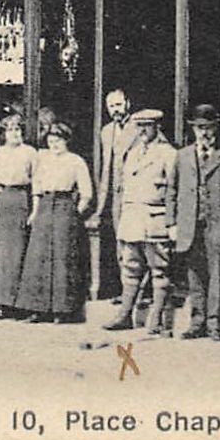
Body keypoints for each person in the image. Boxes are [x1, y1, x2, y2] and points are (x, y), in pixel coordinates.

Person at [106, 109, 179, 337]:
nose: (143, 131)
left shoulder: (168, 154)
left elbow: (172, 191)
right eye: (139, 126)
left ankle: (156, 319)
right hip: (132, 219)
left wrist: (171, 223)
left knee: (160, 270)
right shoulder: (133, 153)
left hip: (154, 220)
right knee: (130, 268)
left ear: (157, 127)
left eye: (147, 126)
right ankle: (125, 315)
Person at [17, 121, 94, 322]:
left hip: (64, 206)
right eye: (51, 141)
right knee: (39, 258)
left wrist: (74, 212)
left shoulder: (76, 161)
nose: (54, 145)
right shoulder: (43, 159)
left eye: (58, 140)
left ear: (66, 140)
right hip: (44, 206)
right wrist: (35, 212)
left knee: (62, 259)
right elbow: (36, 187)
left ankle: (62, 310)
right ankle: (38, 309)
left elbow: (87, 193)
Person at [172, 104, 220, 341]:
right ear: (194, 130)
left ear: (215, 129)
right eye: (200, 128)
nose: (204, 133)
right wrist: (172, 223)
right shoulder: (182, 156)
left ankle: (214, 323)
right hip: (190, 225)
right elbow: (172, 191)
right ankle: (197, 321)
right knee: (194, 274)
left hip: (216, 224)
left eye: (208, 128)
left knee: (217, 273)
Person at [85, 88, 136, 301]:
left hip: (134, 195)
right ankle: (126, 292)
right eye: (111, 106)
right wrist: (100, 205)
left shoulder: (139, 127)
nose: (115, 110)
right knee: (120, 243)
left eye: (118, 104)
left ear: (128, 103)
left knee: (135, 245)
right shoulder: (107, 132)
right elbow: (106, 168)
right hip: (116, 197)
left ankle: (138, 293)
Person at [0, 113, 35, 318]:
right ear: (4, 133)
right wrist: (4, 195)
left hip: (23, 198)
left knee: (19, 252)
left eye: (18, 129)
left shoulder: (30, 152)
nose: (14, 133)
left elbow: (37, 181)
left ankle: (19, 303)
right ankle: (2, 303)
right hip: (4, 200)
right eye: (10, 129)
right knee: (1, 254)